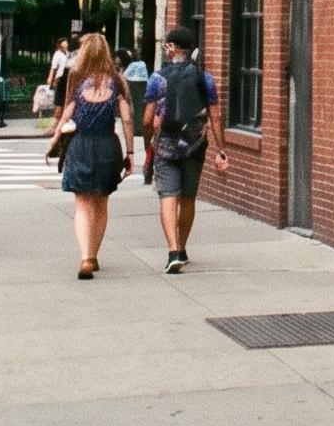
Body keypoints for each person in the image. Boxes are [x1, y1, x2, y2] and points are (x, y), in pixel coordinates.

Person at [142, 24, 229, 274]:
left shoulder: (157, 79)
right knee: (188, 198)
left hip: (166, 146)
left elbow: (146, 120)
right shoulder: (205, 79)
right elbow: (215, 116)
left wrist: (150, 142)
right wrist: (221, 150)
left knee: (168, 197)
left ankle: (172, 251)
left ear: (171, 47)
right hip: (195, 146)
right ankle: (182, 247)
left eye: (166, 45)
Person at [48, 32, 132, 279]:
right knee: (101, 202)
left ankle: (85, 257)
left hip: (80, 144)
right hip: (108, 145)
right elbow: (127, 119)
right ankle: (94, 254)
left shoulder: (76, 77)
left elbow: (67, 113)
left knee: (83, 204)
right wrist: (130, 152)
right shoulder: (117, 81)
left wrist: (53, 141)